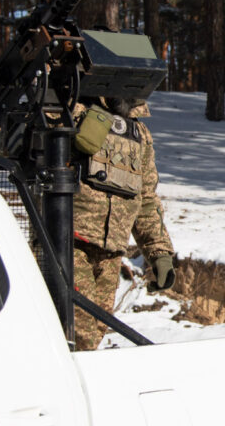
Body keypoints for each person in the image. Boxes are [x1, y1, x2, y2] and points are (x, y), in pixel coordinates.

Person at [71, 96, 176, 350]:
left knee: (96, 331)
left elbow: (146, 198)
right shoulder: (72, 109)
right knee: (78, 333)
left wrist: (159, 253)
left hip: (112, 251)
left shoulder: (139, 132)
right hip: (70, 242)